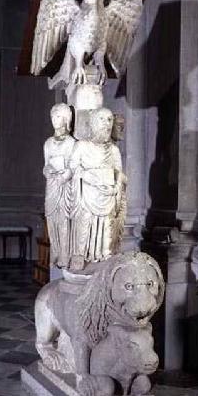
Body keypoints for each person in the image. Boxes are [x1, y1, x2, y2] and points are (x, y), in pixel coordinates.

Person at [69, 107, 126, 271]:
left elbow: (119, 172)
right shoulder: (82, 146)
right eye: (102, 119)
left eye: (109, 119)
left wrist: (116, 185)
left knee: (107, 226)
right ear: (93, 123)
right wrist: (90, 178)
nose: (107, 124)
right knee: (85, 224)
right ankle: (80, 255)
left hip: (107, 194)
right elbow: (73, 168)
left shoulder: (114, 150)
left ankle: (105, 255)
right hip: (88, 193)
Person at [43, 103, 75, 268]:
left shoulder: (70, 142)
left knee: (63, 220)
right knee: (51, 219)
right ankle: (55, 252)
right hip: (52, 186)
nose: (55, 120)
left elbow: (73, 166)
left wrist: (66, 174)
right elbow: (45, 164)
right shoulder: (48, 143)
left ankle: (64, 254)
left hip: (64, 186)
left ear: (66, 120)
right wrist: (47, 170)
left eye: (59, 117)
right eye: (54, 117)